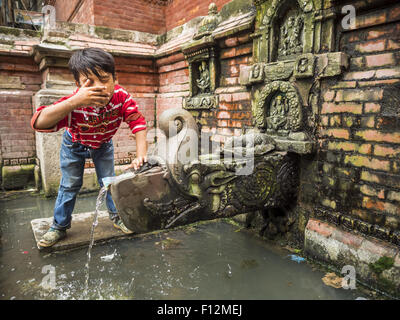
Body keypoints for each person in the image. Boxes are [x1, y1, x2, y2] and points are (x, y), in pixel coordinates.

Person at [31, 48, 148, 247]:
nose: (99, 87)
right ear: (78, 84)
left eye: (103, 79)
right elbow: (38, 122)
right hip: (74, 144)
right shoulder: (74, 102)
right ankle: (59, 226)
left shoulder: (121, 98)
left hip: (103, 145)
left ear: (115, 78)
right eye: (89, 82)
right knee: (69, 185)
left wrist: (141, 155)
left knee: (109, 183)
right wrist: (76, 101)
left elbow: (138, 122)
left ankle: (117, 217)